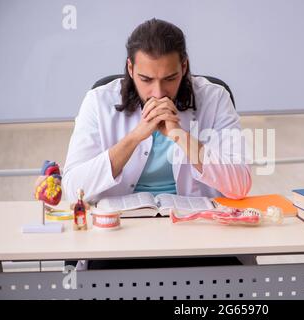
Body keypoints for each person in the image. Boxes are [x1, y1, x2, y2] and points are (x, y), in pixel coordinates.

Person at [62, 18, 254, 269]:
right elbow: (74, 187)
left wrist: (180, 136)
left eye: (170, 78)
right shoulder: (98, 101)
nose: (159, 92)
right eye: (146, 79)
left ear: (184, 67)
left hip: (200, 234)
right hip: (120, 236)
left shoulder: (215, 98)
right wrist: (134, 137)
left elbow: (239, 185)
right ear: (130, 68)